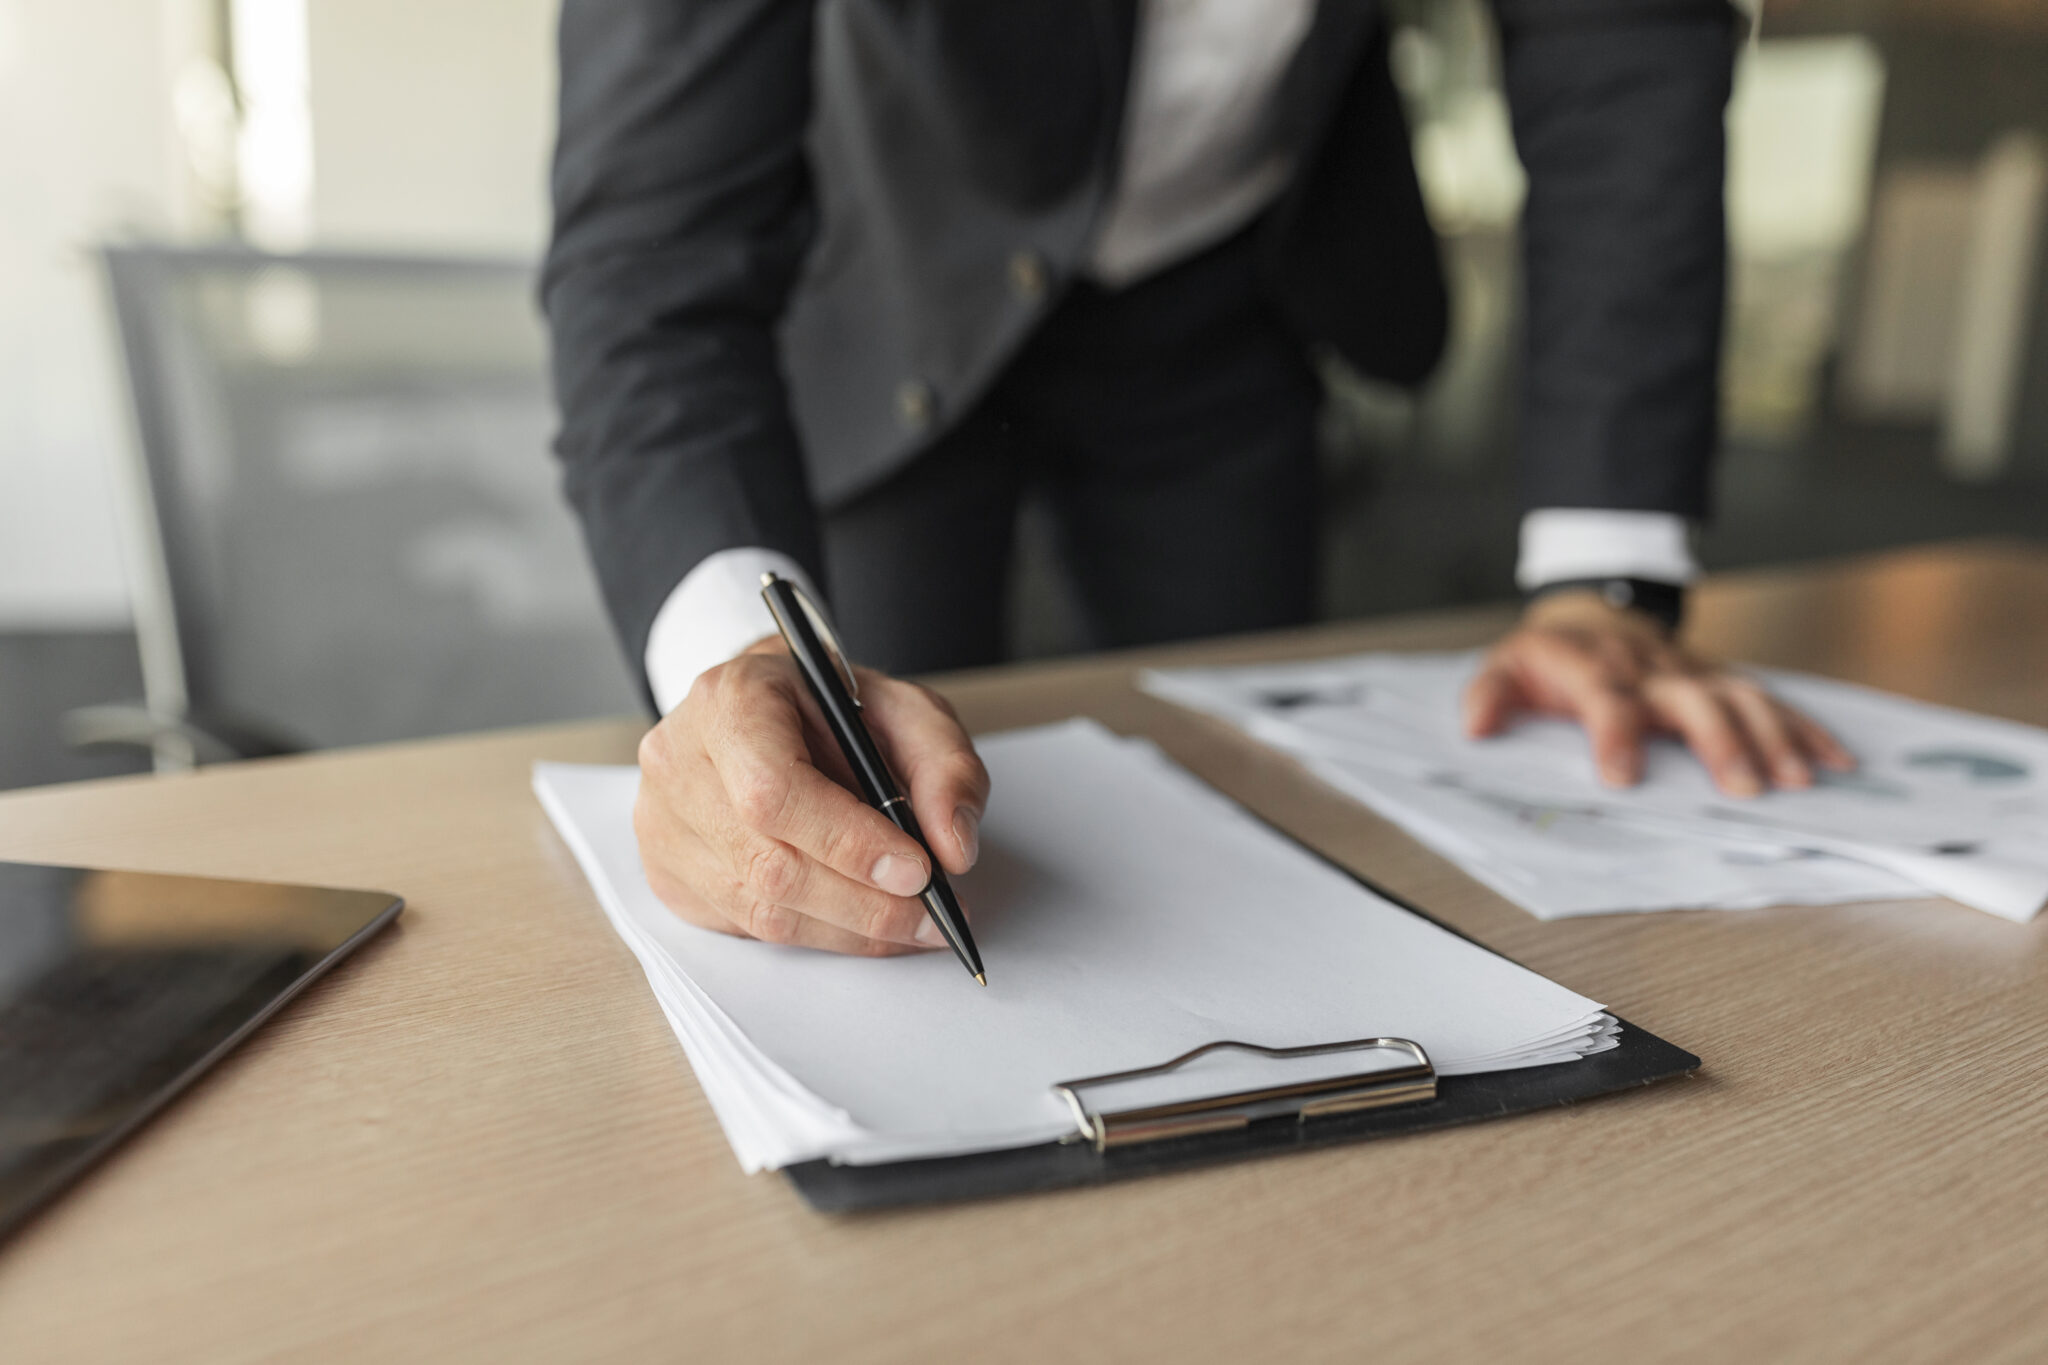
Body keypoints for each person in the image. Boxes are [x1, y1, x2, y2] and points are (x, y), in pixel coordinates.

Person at [543, 0, 1851, 957]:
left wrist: (1604, 576)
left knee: (1256, 834)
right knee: (852, 822)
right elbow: (653, 250)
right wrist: (731, 656)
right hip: (890, 283)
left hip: (1230, 292)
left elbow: (1621, 52)